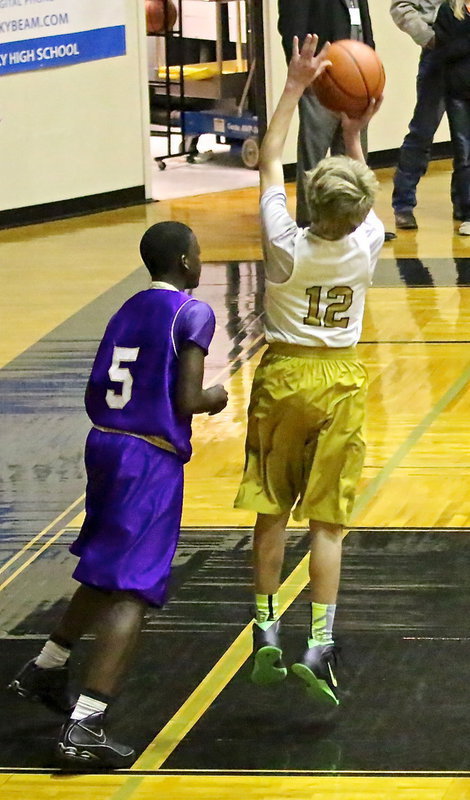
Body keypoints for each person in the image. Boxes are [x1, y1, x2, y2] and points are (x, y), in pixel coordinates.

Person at [8, 221, 228, 770]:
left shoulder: (126, 306)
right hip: (147, 457)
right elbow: (185, 399)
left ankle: (46, 666)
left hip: (104, 443)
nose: (201, 262)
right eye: (198, 254)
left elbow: (98, 382)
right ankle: (86, 724)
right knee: (133, 589)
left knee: (105, 568)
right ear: (183, 261)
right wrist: (216, 397)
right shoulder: (192, 312)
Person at [234, 34, 385, 706]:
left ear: (310, 201)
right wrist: (355, 131)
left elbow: (268, 161)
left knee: (272, 510)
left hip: (283, 377)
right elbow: (363, 193)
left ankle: (265, 631)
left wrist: (295, 87)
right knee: (328, 523)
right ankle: (319, 644)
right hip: (340, 380)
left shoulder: (284, 244)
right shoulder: (370, 241)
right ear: (358, 212)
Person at [277, 0, 375, 228]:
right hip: (321, 80)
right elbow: (292, 26)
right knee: (314, 158)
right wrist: (303, 74)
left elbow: (364, 23)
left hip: (356, 79)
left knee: (354, 152)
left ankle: (357, 220)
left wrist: (370, 59)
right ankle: (309, 223)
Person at [390, 0, 459, 229]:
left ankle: (463, 204)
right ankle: (403, 204)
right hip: (437, 55)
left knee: (466, 136)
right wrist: (428, 37)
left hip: (466, 52)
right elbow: (401, 6)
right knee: (423, 131)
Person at [434, 0, 470, 236]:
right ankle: (468, 214)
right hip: (459, 94)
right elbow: (444, 51)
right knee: (464, 154)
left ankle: (461, 204)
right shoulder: (448, 12)